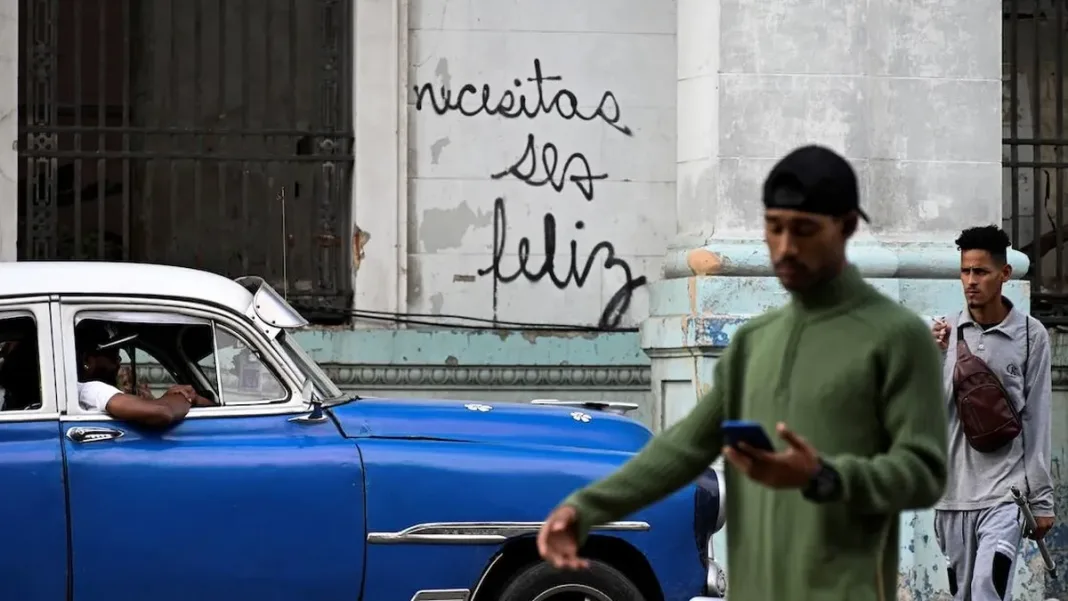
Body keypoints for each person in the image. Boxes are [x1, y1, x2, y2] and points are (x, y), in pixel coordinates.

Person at [536, 145, 949, 601]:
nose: (786, 247)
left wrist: (824, 476)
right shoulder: (754, 343)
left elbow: (924, 471)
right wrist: (586, 508)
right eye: (775, 228)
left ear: (847, 226)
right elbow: (681, 448)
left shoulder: (898, 336)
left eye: (805, 230)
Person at [930, 225, 1054, 601]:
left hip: (1006, 495)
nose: (970, 281)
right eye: (965, 271)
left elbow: (1037, 417)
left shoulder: (1032, 337)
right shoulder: (942, 333)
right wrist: (936, 358)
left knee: (987, 589)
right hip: (953, 497)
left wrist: (1042, 500)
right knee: (963, 596)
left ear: (1004, 274)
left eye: (981, 272)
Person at [76, 320, 213, 428]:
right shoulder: (90, 390)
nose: (118, 362)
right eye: (113, 355)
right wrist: (186, 397)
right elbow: (162, 412)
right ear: (87, 360)